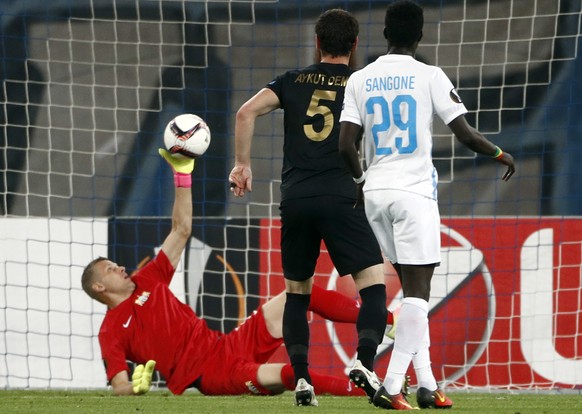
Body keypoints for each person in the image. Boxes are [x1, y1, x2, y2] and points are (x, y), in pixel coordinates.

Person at [81, 148, 392, 399]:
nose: (120, 267)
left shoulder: (146, 280)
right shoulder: (111, 331)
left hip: (226, 345)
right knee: (288, 374)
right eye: (110, 269)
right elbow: (119, 384)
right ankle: (359, 391)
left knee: (297, 294)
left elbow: (181, 230)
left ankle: (388, 321)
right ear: (98, 287)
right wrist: (134, 387)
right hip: (212, 375)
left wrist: (182, 175)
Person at [338, 0, 516, 410]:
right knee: (419, 294)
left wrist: (364, 181)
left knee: (414, 291)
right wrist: (499, 154)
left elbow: (345, 145)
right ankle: (393, 384)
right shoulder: (429, 75)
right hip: (413, 192)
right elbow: (466, 135)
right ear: (419, 36)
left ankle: (427, 383)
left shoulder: (360, 79)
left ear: (384, 33)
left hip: (375, 194)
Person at [228, 9, 391, 406]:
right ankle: (364, 362)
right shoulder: (362, 83)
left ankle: (302, 382)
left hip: (297, 198)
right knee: (374, 289)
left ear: (318, 43)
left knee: (297, 295)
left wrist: (242, 164)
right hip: (342, 195)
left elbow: (245, 111)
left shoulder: (292, 81)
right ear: (354, 46)